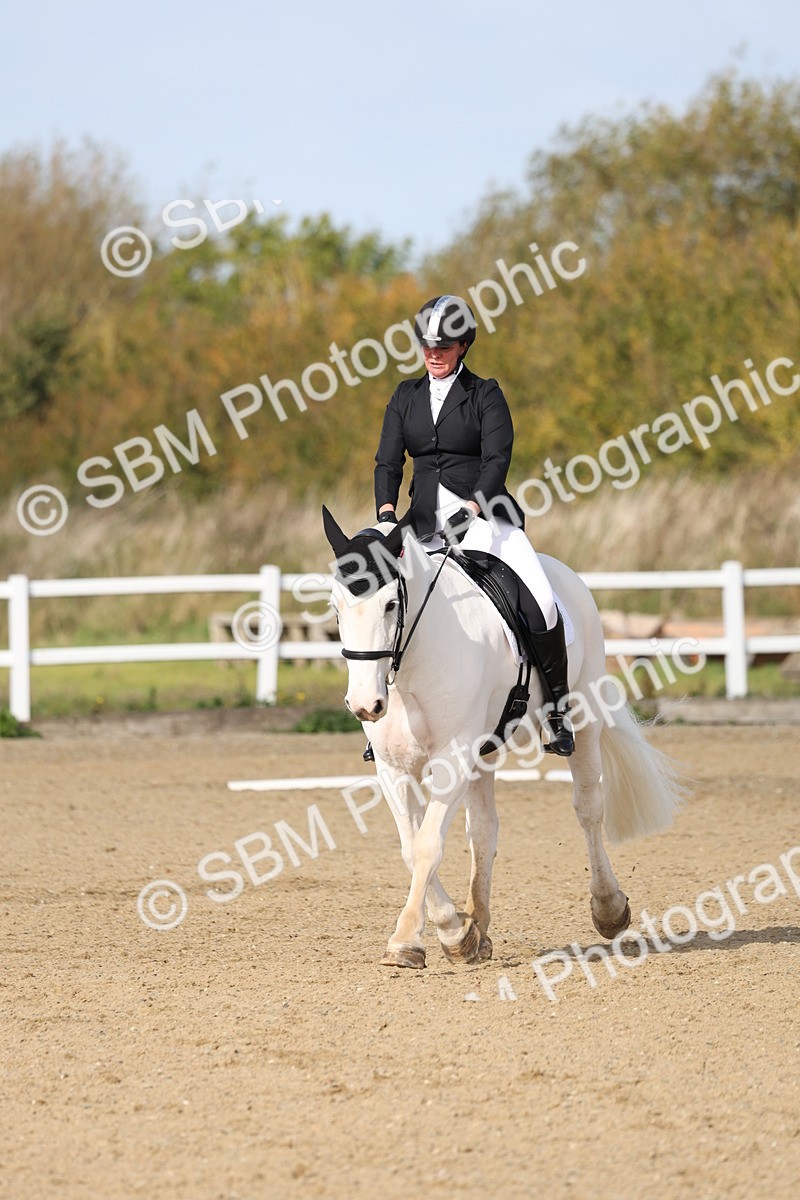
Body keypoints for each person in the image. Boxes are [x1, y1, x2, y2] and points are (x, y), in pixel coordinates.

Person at [373, 294, 574, 756]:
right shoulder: (405, 396)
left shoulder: (486, 394)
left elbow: (497, 459)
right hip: (420, 518)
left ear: (463, 345)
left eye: (443, 346)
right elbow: (388, 461)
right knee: (380, 598)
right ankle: (387, 721)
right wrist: (386, 513)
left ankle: (558, 711)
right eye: (426, 345)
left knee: (541, 599)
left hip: (483, 516)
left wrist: (474, 506)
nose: (433, 354)